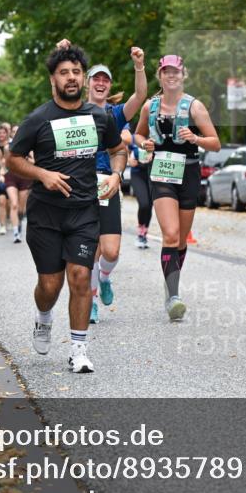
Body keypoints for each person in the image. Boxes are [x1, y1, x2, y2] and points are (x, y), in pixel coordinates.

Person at [6, 43, 127, 374]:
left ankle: (78, 350)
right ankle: (43, 317)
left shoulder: (99, 116)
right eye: (64, 73)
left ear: (83, 78)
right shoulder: (39, 119)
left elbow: (118, 149)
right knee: (50, 286)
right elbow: (12, 159)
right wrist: (42, 174)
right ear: (53, 81)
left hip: (84, 211)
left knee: (80, 276)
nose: (71, 78)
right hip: (46, 214)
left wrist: (117, 174)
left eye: (76, 72)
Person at [134, 54, 221, 321]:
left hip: (189, 173)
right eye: (166, 72)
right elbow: (138, 134)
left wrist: (195, 137)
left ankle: (170, 280)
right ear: (160, 76)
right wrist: (143, 143)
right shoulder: (150, 106)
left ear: (183, 75)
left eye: (176, 72)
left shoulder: (195, 107)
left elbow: (215, 143)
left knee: (181, 240)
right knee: (170, 235)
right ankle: (173, 296)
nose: (171, 76)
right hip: (161, 173)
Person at [81, 45, 146, 323]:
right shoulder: (75, 110)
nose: (101, 83)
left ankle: (105, 278)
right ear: (87, 84)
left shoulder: (115, 113)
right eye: (96, 78)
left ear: (108, 87)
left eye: (105, 80)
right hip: (81, 184)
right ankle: (91, 298)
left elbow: (140, 96)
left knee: (111, 250)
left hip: (108, 182)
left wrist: (139, 66)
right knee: (90, 247)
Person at [3, 125, 33, 243]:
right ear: (11, 134)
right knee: (14, 204)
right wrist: (1, 173)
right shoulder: (7, 148)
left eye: (18, 131)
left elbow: (34, 162)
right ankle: (16, 233)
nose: (16, 133)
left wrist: (27, 159)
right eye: (14, 132)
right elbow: (5, 164)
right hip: (11, 177)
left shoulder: (29, 147)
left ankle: (19, 222)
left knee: (21, 209)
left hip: (24, 178)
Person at [129, 138, 153, 249]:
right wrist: (130, 157)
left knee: (149, 205)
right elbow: (123, 148)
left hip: (152, 174)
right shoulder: (134, 137)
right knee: (144, 204)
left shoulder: (156, 135)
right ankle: (140, 231)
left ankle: (144, 234)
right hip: (137, 174)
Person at [0, 123, 12, 235]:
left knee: (9, 202)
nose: (1, 135)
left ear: (7, 133)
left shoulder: (12, 144)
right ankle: (2, 225)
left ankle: (9, 217)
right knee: (1, 201)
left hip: (10, 176)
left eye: (3, 132)